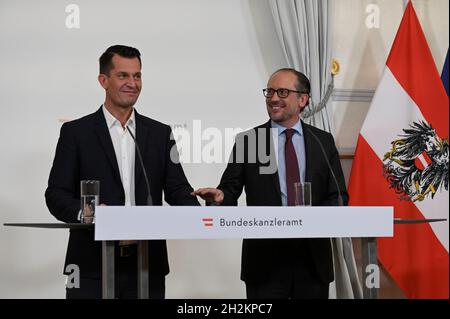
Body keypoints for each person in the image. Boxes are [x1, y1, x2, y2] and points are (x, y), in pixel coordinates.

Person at [45, 45, 199, 299]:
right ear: (103, 80)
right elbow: (56, 194)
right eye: (123, 75)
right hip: (91, 266)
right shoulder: (76, 133)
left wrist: (206, 210)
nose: (132, 83)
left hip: (147, 265)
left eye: (137, 76)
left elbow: (176, 189)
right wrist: (88, 213)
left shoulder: (160, 134)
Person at [193, 68, 348, 299]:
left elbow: (338, 196)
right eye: (270, 92)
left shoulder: (322, 141)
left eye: (283, 92)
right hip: (265, 262)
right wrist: (220, 197)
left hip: (312, 261)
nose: (274, 98)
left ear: (302, 99)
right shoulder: (249, 141)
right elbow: (230, 189)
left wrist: (310, 219)